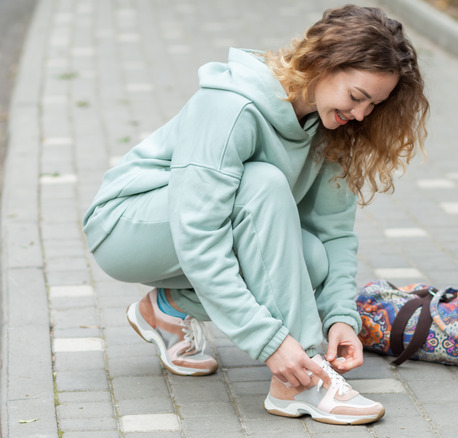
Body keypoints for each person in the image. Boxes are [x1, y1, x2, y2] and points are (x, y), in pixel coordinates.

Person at [82, 4, 428, 425]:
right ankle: (303, 378)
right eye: (357, 97)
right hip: (125, 226)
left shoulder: (331, 126)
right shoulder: (231, 107)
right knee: (261, 184)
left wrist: (340, 317)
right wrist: (270, 342)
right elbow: (200, 237)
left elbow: (334, 234)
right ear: (320, 63)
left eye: (374, 105)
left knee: (312, 258)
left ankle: (169, 309)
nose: (360, 114)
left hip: (197, 231)